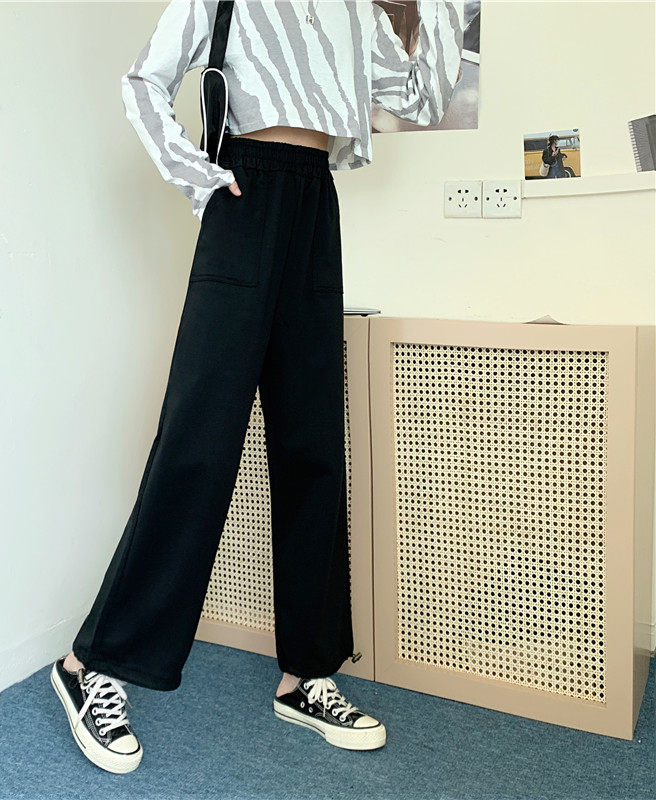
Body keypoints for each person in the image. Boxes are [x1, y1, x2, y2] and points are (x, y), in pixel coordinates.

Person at [50, 0, 464, 774]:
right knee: (199, 442)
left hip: (314, 200)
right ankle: (93, 663)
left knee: (314, 445)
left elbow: (422, 96)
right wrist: (196, 175)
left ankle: (306, 675)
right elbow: (143, 80)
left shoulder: (354, 11)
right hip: (244, 195)